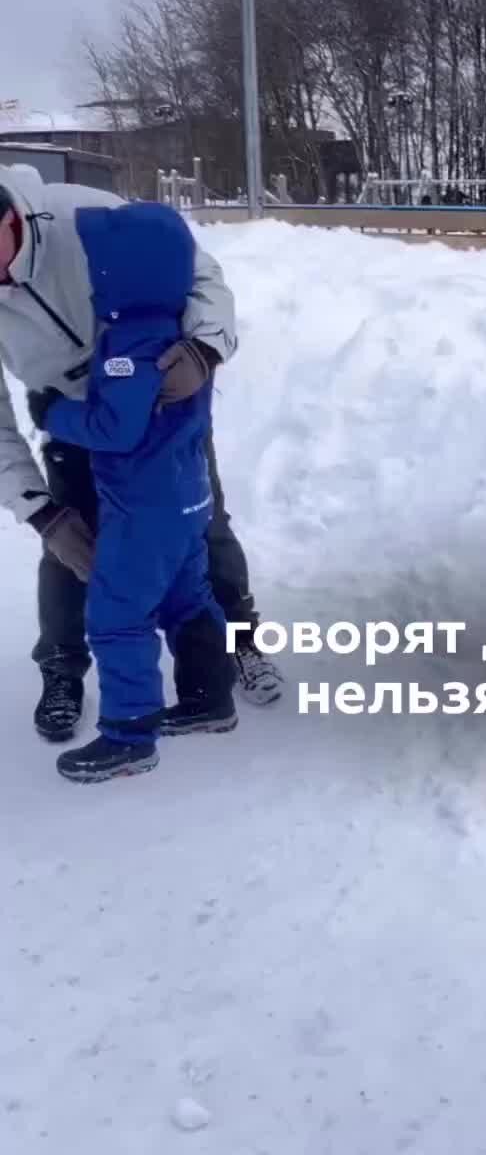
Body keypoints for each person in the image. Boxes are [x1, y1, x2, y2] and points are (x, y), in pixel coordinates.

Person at [0, 161, 282, 739]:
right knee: (70, 542)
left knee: (201, 526)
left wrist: (205, 349)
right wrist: (40, 512)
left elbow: (201, 273)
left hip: (160, 398)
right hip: (71, 414)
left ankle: (238, 643)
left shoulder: (86, 215)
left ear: (8, 215)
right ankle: (62, 668)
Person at [36, 201, 239, 782]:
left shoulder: (130, 347)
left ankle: (128, 734)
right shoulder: (182, 337)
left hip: (142, 510)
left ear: (114, 277)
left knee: (117, 613)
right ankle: (209, 698)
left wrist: (57, 414)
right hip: (187, 497)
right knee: (188, 598)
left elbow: (114, 428)